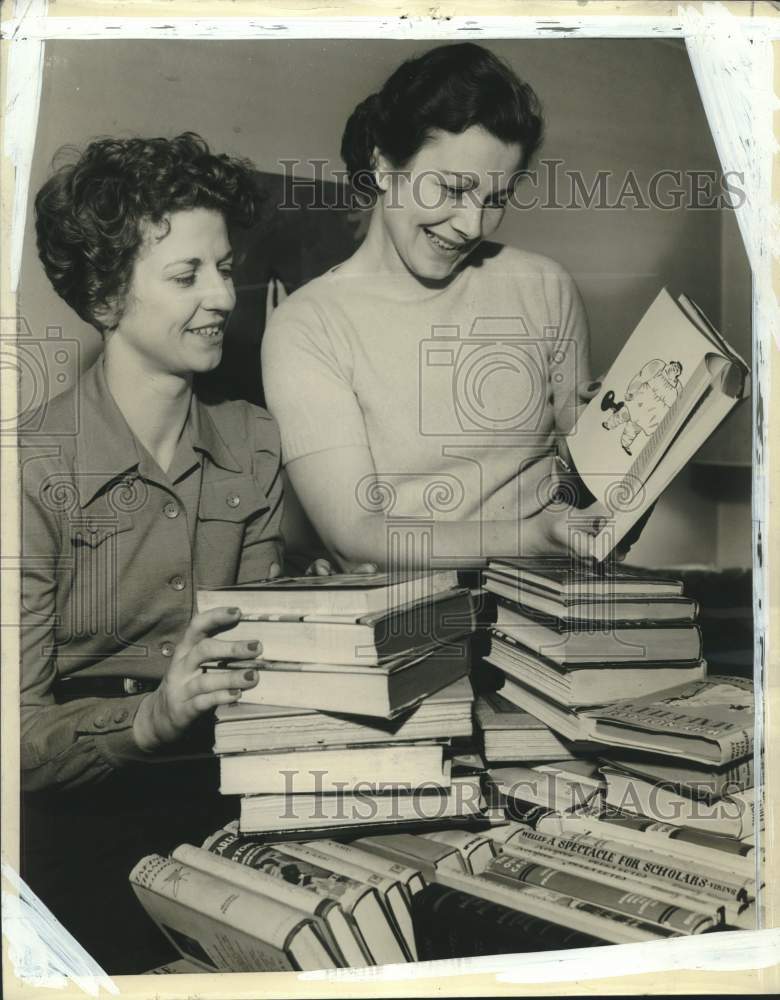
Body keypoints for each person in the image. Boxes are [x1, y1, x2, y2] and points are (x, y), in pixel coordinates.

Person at [20, 132, 311, 972]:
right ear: (105, 296)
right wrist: (148, 719)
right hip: (71, 821)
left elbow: (259, 667)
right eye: (187, 276)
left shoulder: (254, 440)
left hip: (224, 796)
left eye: (225, 267)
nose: (222, 295)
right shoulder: (28, 471)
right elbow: (15, 738)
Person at [262, 43, 604, 573]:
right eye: (452, 189)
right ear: (383, 164)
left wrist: (628, 439)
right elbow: (356, 535)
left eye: (495, 199)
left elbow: (588, 482)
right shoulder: (307, 327)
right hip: (408, 615)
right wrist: (531, 537)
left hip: (548, 603)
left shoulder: (544, 287)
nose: (472, 225)